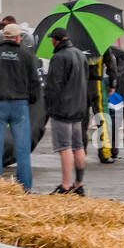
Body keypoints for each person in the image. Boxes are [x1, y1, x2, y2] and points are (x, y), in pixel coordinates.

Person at [0, 21, 41, 191]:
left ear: (4, 37)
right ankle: (25, 186)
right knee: (22, 148)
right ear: (18, 38)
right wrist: (32, 99)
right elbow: (35, 81)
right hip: (19, 105)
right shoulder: (26, 57)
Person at [44, 27, 89, 195]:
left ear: (55, 40)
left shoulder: (59, 57)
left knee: (65, 147)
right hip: (79, 108)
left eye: (51, 39)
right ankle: (79, 184)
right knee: (78, 146)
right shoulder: (80, 54)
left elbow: (53, 86)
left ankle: (64, 185)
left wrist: (49, 106)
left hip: (63, 110)